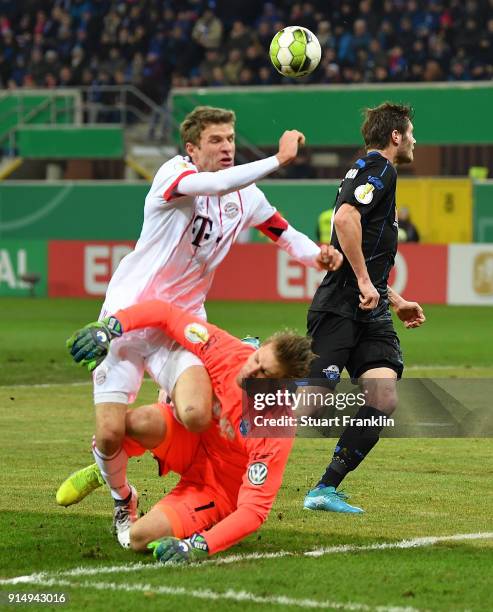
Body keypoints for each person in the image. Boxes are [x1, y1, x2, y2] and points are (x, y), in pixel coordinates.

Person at [56, 105, 343, 546]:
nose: (226, 147)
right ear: (192, 148)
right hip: (129, 317)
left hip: (182, 327)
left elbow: (283, 233)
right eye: (215, 140)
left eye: (230, 138)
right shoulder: (175, 175)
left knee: (192, 414)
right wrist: (279, 160)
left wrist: (316, 256)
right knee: (110, 433)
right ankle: (122, 495)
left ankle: (204, 485)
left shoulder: (247, 197)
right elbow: (214, 183)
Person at [66, 298, 315, 559]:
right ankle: (111, 476)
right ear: (259, 348)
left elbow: (254, 511)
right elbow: (165, 314)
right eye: (256, 359)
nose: (251, 371)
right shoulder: (228, 352)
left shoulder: (274, 425)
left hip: (215, 488)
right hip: (190, 441)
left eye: (265, 374)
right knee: (134, 423)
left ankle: (205, 522)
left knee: (140, 538)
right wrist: (111, 327)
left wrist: (198, 545)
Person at [303, 102, 426, 513]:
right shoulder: (380, 169)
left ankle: (325, 488)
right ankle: (249, 362)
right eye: (410, 132)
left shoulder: (370, 172)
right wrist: (360, 281)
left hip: (369, 310)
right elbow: (344, 220)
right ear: (395, 136)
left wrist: (394, 297)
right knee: (313, 402)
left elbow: (367, 251)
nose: (414, 140)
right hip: (341, 304)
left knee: (383, 395)